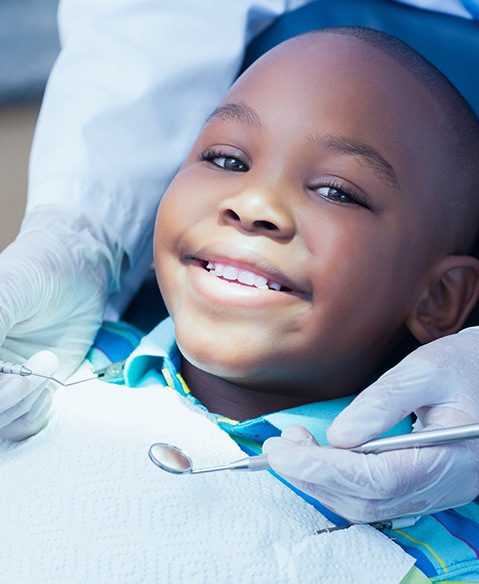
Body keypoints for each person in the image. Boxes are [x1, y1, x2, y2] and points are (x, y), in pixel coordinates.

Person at [1, 0, 479, 524]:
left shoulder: (426, 497)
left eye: (337, 192)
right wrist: (78, 231)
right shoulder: (34, 387)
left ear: (439, 298)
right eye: (226, 160)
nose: (254, 206)